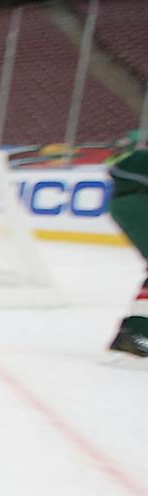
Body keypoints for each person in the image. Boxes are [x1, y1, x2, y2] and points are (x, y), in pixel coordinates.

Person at [108, 129, 148, 358]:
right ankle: (135, 333)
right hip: (136, 204)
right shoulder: (139, 162)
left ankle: (134, 331)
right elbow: (120, 169)